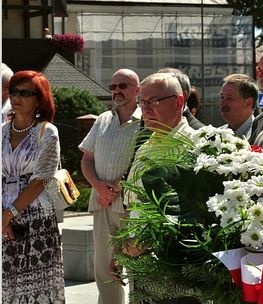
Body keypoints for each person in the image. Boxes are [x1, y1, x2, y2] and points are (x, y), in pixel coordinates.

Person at [114, 72, 197, 304]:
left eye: (153, 102)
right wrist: (121, 247)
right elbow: (131, 204)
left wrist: (146, 243)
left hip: (177, 268)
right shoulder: (145, 146)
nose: (145, 109)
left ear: (179, 102)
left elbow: (192, 215)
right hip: (139, 263)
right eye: (142, 102)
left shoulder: (196, 146)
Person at [79, 68, 142, 304]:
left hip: (132, 207)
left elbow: (143, 161)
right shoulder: (103, 119)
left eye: (123, 86)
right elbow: (86, 158)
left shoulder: (146, 120)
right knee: (105, 272)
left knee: (137, 268)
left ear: (138, 90)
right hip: (101, 204)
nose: (116, 91)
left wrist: (115, 188)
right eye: (113, 86)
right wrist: (98, 187)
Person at [2, 70, 64, 302]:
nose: (16, 97)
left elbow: (40, 180)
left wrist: (10, 213)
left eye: (25, 93)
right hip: (3, 218)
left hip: (36, 219)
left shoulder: (47, 132)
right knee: (7, 287)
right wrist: (3, 216)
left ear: (39, 99)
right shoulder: (1, 132)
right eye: (14, 91)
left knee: (38, 291)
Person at [219, 73, 258, 139]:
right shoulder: (216, 136)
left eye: (229, 98)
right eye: (222, 97)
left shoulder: (260, 136)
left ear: (248, 103)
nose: (223, 103)